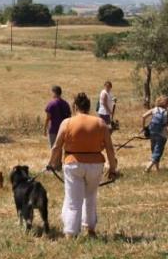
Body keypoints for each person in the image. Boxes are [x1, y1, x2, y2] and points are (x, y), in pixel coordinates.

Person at [48, 92, 117, 238]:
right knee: (91, 196)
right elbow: (110, 148)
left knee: (74, 201)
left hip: (73, 164)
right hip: (95, 165)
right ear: (89, 107)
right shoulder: (100, 123)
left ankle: (71, 233)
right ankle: (90, 228)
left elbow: (56, 147)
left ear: (75, 107)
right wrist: (112, 168)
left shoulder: (67, 123)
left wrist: (51, 163)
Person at [141, 95, 168, 172]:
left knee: (154, 151)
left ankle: (157, 169)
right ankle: (148, 168)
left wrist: (144, 128)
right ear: (167, 103)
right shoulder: (167, 112)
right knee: (157, 152)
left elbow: (143, 116)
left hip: (152, 132)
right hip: (162, 134)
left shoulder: (154, 109)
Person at [44, 85, 72, 149]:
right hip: (63, 129)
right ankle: (60, 159)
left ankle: (55, 159)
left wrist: (45, 129)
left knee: (54, 148)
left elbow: (48, 118)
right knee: (61, 148)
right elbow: (69, 117)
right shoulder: (66, 104)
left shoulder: (51, 104)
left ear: (54, 92)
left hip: (53, 129)